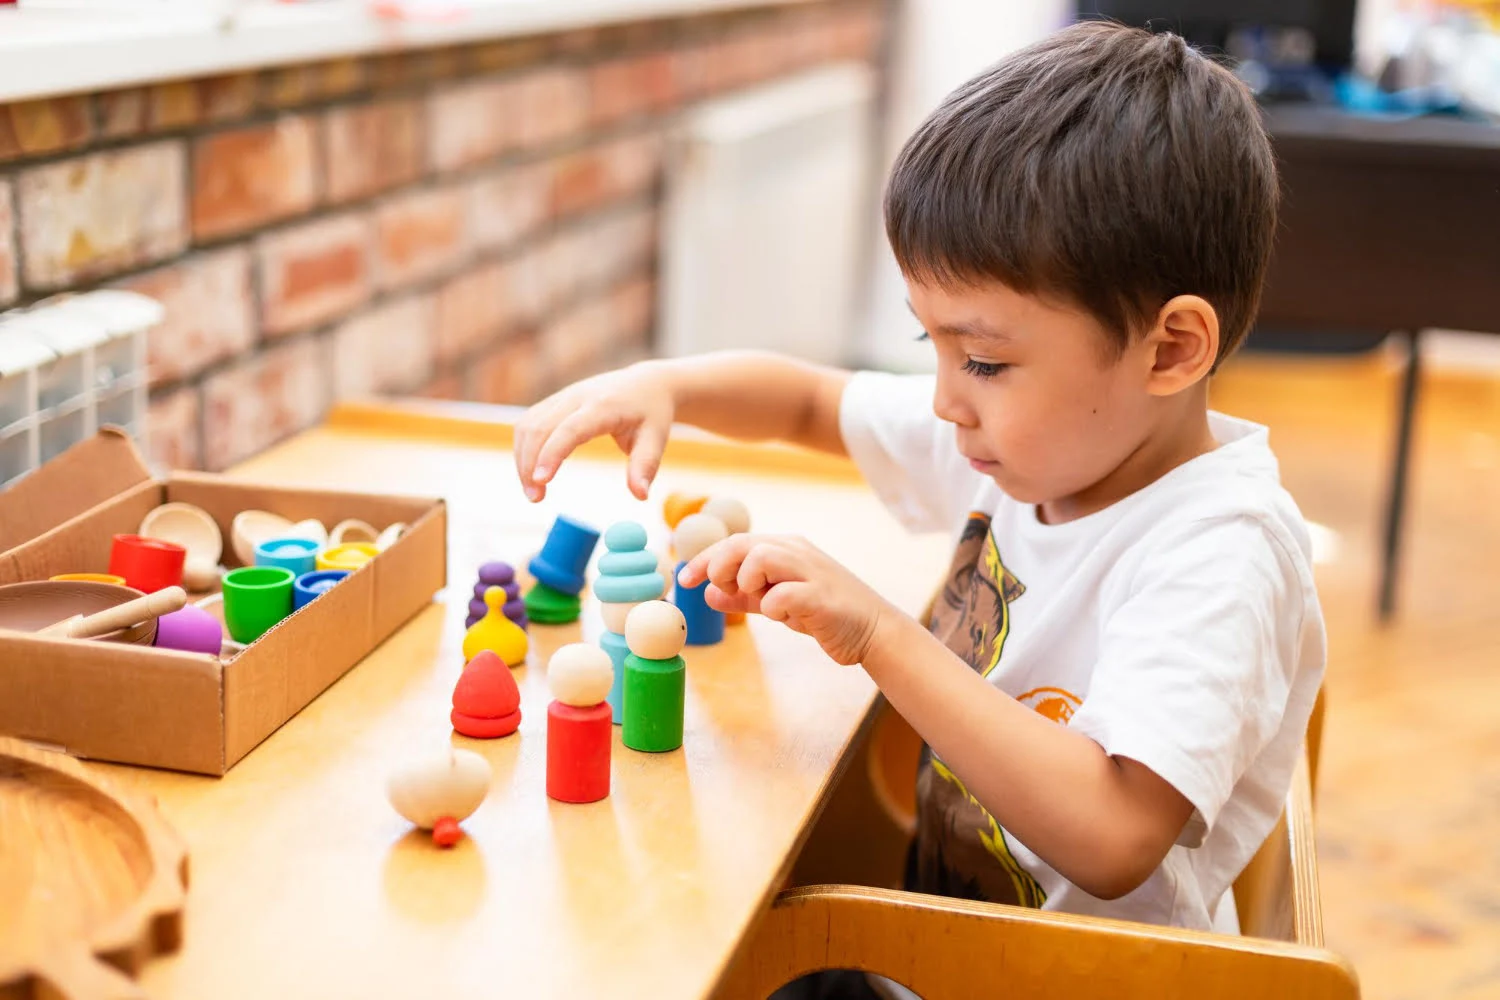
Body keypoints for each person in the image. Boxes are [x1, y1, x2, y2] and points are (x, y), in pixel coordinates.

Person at [513, 16, 1326, 977]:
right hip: (955, 946)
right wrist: (669, 386)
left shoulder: (1216, 553)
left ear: (1173, 348)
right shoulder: (1040, 446)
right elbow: (813, 399)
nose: (946, 400)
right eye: (928, 345)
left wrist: (879, 635)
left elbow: (1113, 836)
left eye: (981, 358)